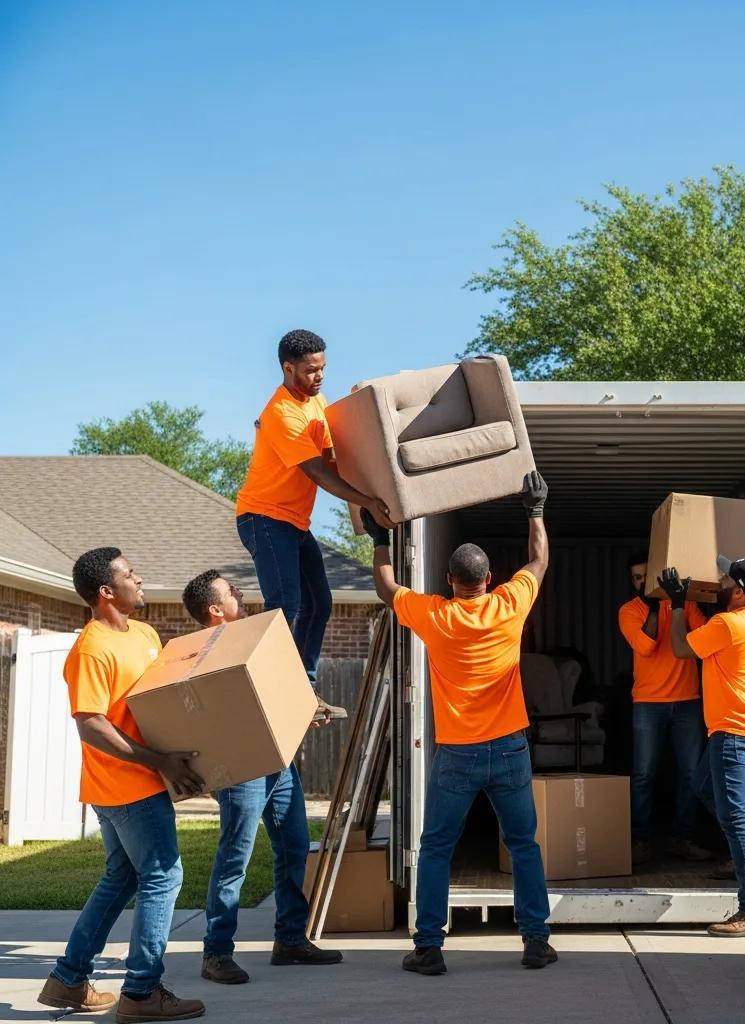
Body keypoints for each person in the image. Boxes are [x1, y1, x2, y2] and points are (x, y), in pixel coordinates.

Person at [363, 472, 557, 975]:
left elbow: (387, 588)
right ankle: (536, 942)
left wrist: (381, 540)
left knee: (435, 849)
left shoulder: (436, 616)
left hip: (458, 754)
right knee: (523, 845)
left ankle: (429, 948)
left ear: (450, 581)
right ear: (489, 579)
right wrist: (535, 510)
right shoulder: (510, 604)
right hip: (509, 749)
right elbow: (538, 560)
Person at [37, 548, 206, 1023]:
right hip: (124, 785)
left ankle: (69, 979)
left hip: (142, 779)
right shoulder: (91, 649)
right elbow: (90, 724)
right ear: (107, 591)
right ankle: (141, 992)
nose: (140, 579)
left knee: (123, 876)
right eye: (130, 574)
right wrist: (158, 762)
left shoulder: (145, 634)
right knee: (163, 875)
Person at [181, 571, 341, 985]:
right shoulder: (204, 655)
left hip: (277, 763)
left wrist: (304, 709)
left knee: (294, 846)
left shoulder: (252, 641)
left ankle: (290, 939)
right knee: (235, 857)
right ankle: (217, 952)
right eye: (230, 591)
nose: (239, 592)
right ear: (214, 609)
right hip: (241, 770)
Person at [235, 328, 393, 704]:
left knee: (319, 603)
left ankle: (302, 684)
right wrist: (368, 501)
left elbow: (334, 458)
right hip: (264, 517)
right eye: (310, 370)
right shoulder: (281, 414)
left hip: (293, 521)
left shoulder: (316, 402)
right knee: (285, 603)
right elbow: (319, 473)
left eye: (322, 368)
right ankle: (272, 686)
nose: (319, 376)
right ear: (288, 368)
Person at [660, 555, 745, 938]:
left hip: (733, 731)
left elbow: (680, 648)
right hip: (742, 726)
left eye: (725, 579)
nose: (719, 582)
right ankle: (741, 851)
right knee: (704, 787)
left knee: (736, 819)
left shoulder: (727, 624)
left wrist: (678, 605)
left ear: (738, 592)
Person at [618, 551, 712, 865]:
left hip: (687, 701)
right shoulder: (629, 611)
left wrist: (678, 604)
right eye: (636, 577)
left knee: (691, 774)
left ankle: (683, 838)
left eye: (647, 575)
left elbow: (705, 638)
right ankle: (639, 840)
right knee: (644, 774)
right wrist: (655, 607)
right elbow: (646, 646)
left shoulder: (683, 604)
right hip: (648, 703)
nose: (642, 582)